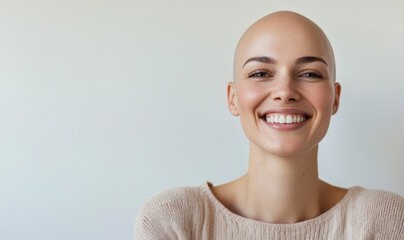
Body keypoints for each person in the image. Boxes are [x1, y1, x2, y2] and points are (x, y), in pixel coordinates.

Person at [134, 11, 404, 239]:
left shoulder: (384, 222)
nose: (285, 91)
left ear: (335, 99)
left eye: (310, 74)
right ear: (233, 98)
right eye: (260, 73)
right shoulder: (175, 221)